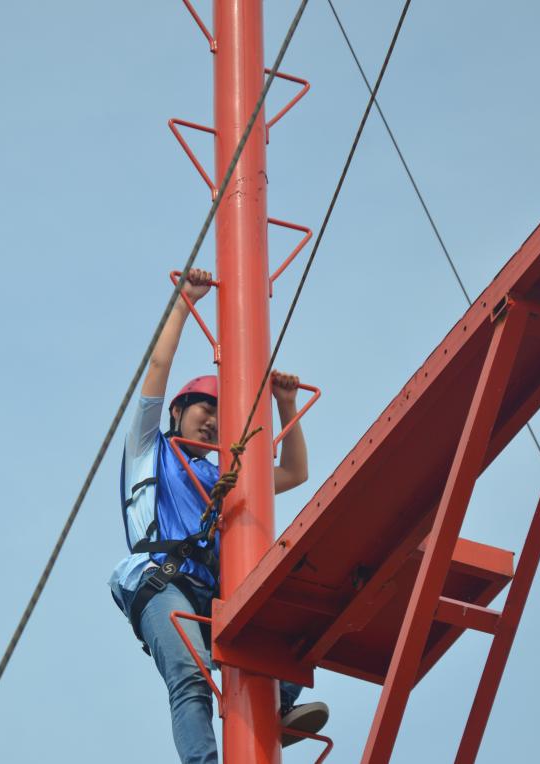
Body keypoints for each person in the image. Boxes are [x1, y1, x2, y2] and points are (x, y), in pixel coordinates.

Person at [109, 268, 328, 764]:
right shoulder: (149, 450)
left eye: (218, 413)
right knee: (190, 678)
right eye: (201, 409)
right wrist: (184, 303)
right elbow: (158, 366)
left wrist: (285, 405)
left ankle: (277, 707)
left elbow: (295, 473)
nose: (210, 419)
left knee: (281, 631)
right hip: (160, 580)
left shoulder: (221, 474)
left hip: (210, 592)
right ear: (177, 412)